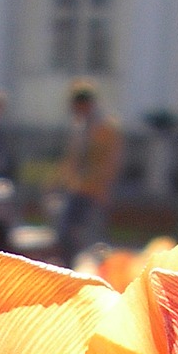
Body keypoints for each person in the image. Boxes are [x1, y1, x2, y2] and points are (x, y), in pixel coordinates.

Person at [54, 78, 123, 266]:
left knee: (83, 233)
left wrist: (103, 186)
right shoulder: (82, 126)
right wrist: (59, 181)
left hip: (92, 190)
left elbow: (109, 161)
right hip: (80, 188)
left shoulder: (104, 127)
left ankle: (90, 269)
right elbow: (73, 159)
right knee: (70, 232)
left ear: (84, 104)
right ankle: (73, 266)